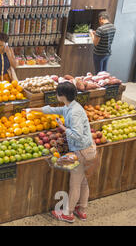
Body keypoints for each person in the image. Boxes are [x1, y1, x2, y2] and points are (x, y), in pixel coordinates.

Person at [27, 82, 97, 223]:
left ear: (62, 95)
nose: (56, 95)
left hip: (82, 151)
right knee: (83, 182)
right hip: (88, 149)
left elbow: (77, 134)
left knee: (75, 184)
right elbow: (54, 110)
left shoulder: (74, 112)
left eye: (57, 93)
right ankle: (82, 210)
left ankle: (68, 214)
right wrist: (33, 109)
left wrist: (63, 127)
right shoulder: (71, 106)